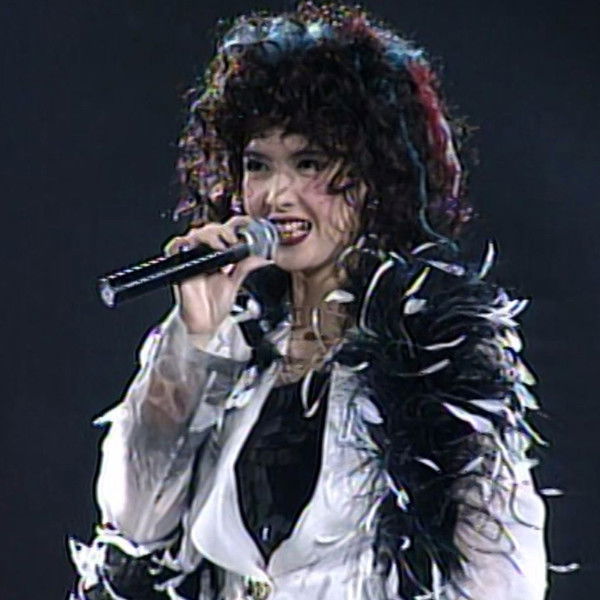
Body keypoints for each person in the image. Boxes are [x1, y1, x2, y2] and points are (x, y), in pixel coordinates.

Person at [69, 2, 548, 599]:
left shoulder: (438, 354)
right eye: (258, 166)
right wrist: (194, 343)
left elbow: (500, 579)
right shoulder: (237, 348)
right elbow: (134, 524)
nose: (277, 195)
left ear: (374, 178)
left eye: (309, 163)